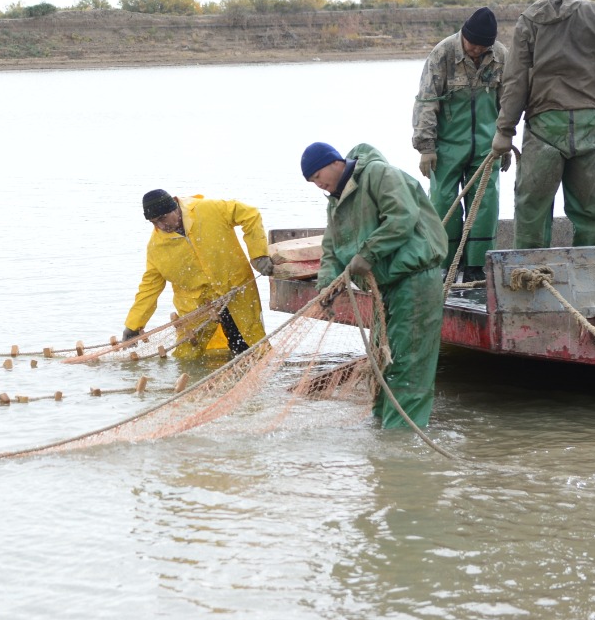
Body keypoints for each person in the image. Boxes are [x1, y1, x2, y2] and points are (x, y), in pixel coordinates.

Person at [491, 0, 595, 248]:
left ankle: (530, 276)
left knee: (532, 210)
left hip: (545, 126)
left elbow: (515, 80)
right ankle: (591, 276)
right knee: (593, 213)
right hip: (590, 124)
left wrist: (505, 130)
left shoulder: (529, 20)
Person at [301, 142, 446, 429]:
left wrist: (368, 254)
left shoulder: (379, 174)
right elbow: (331, 248)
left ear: (335, 162)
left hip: (413, 279)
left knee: (409, 363)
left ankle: (401, 442)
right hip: (382, 289)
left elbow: (401, 217)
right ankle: (381, 429)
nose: (319, 185)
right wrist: (327, 286)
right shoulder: (336, 201)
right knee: (382, 361)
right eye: (313, 182)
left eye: (318, 176)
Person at [412, 6, 508, 282]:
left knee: (485, 201)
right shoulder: (442, 55)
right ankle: (444, 263)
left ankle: (477, 266)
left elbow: (509, 100)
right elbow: (426, 103)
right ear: (464, 36)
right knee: (443, 200)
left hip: (487, 146)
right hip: (447, 146)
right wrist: (426, 147)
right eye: (473, 44)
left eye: (483, 46)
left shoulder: (501, 56)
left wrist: (506, 137)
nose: (477, 50)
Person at [122, 189, 272, 359]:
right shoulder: (156, 248)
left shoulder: (209, 209)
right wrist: (133, 325)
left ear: (175, 206)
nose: (161, 226)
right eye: (154, 222)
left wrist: (259, 254)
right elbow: (149, 287)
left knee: (252, 345)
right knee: (187, 357)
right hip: (196, 307)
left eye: (163, 218)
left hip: (236, 290)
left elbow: (250, 214)